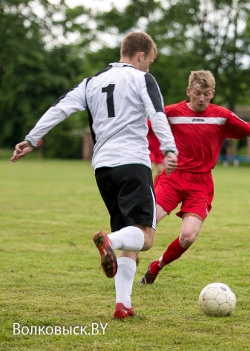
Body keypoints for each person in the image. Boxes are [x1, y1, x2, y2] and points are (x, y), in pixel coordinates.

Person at [10, 32, 178, 319]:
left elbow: (59, 108)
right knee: (145, 238)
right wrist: (169, 148)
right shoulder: (141, 79)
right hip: (133, 164)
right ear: (141, 55)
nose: (149, 65)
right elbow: (157, 113)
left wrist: (31, 139)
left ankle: (122, 304)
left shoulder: (91, 82)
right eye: (150, 60)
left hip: (103, 169)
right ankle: (108, 241)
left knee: (130, 236)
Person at [139, 70, 250, 285]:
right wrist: (160, 156)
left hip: (201, 183)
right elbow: (143, 131)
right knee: (146, 223)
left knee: (188, 237)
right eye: (197, 93)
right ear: (188, 91)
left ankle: (156, 266)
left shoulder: (221, 116)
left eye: (206, 94)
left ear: (212, 93)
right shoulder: (171, 113)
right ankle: (119, 256)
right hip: (173, 177)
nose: (201, 98)